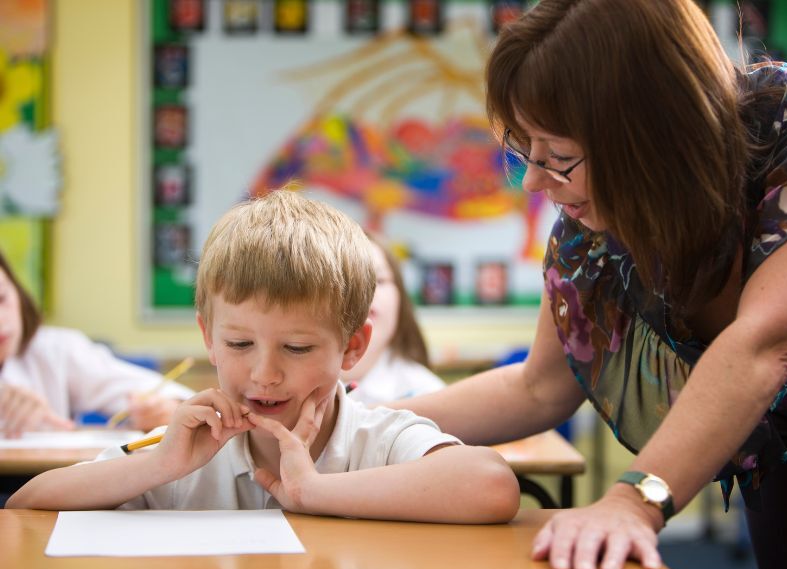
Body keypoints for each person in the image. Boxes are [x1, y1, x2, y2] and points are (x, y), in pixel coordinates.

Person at [388, 0, 787, 569]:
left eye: (558, 157)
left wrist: (634, 501)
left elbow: (765, 344)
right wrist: (358, 424)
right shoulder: (596, 227)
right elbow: (539, 386)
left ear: (649, 129)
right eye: (524, 152)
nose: (533, 182)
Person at [8, 190, 520, 524]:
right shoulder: (185, 450)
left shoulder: (378, 436)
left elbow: (492, 486)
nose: (264, 374)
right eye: (238, 345)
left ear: (353, 347)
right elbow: (27, 505)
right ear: (208, 336)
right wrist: (158, 465)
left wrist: (313, 493)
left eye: (297, 348)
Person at [0, 250, 193, 436]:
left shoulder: (53, 350)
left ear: (17, 290)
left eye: (2, 298)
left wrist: (164, 409)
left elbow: (156, 393)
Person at [340, 233, 445, 405]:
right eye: (347, 281)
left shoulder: (427, 393)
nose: (364, 292)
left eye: (379, 280)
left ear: (400, 298)